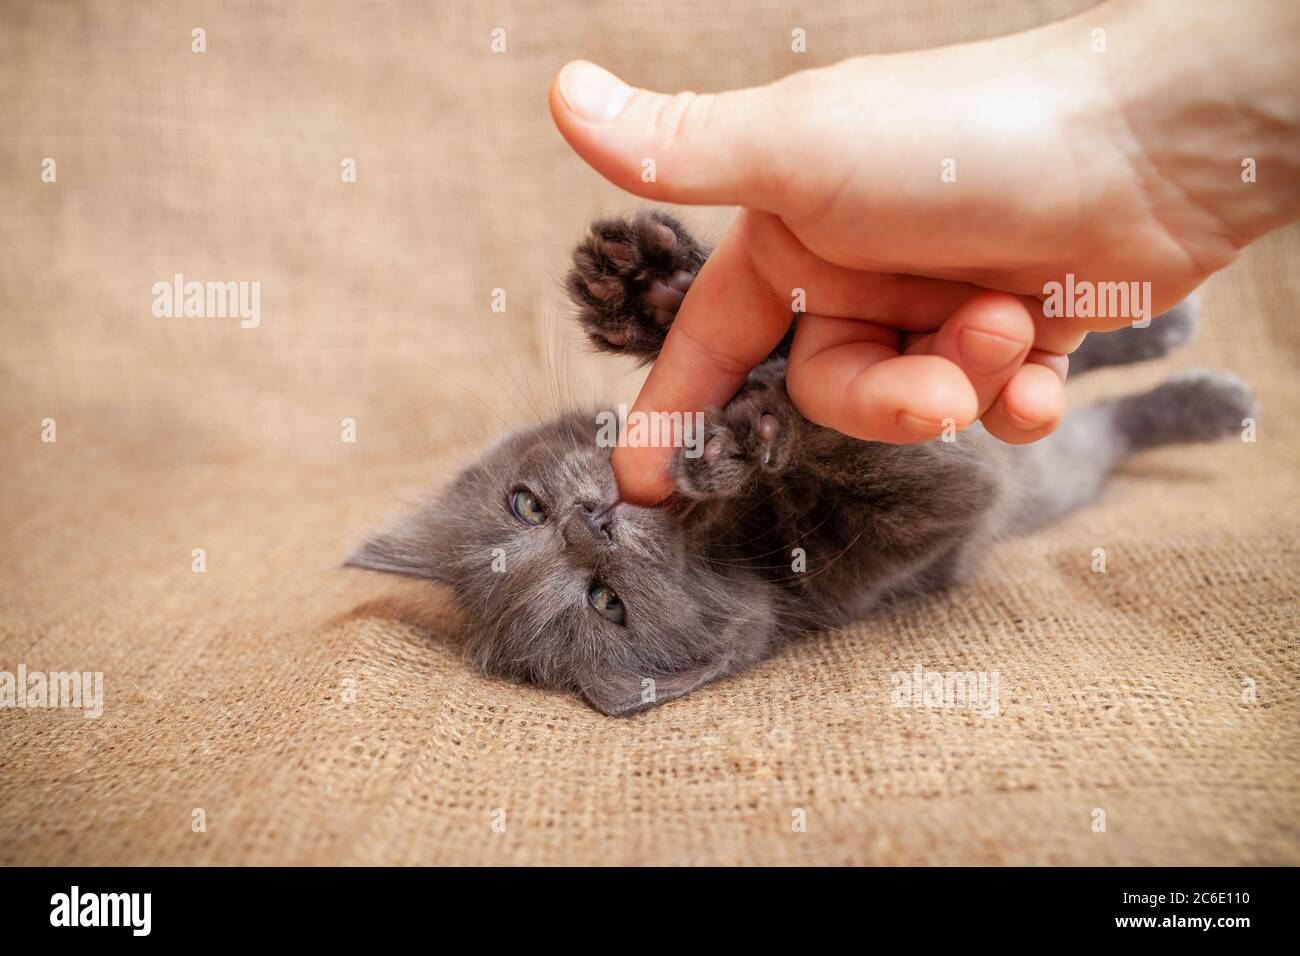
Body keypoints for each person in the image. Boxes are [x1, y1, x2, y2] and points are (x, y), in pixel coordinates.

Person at [548, 0, 1300, 504]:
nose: (584, 529)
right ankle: (1130, 422)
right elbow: (960, 501)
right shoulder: (807, 590)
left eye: (528, 507)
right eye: (604, 604)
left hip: (892, 345)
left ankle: (1096, 343)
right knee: (1011, 421)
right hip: (972, 440)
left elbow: (785, 312)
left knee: (964, 349)